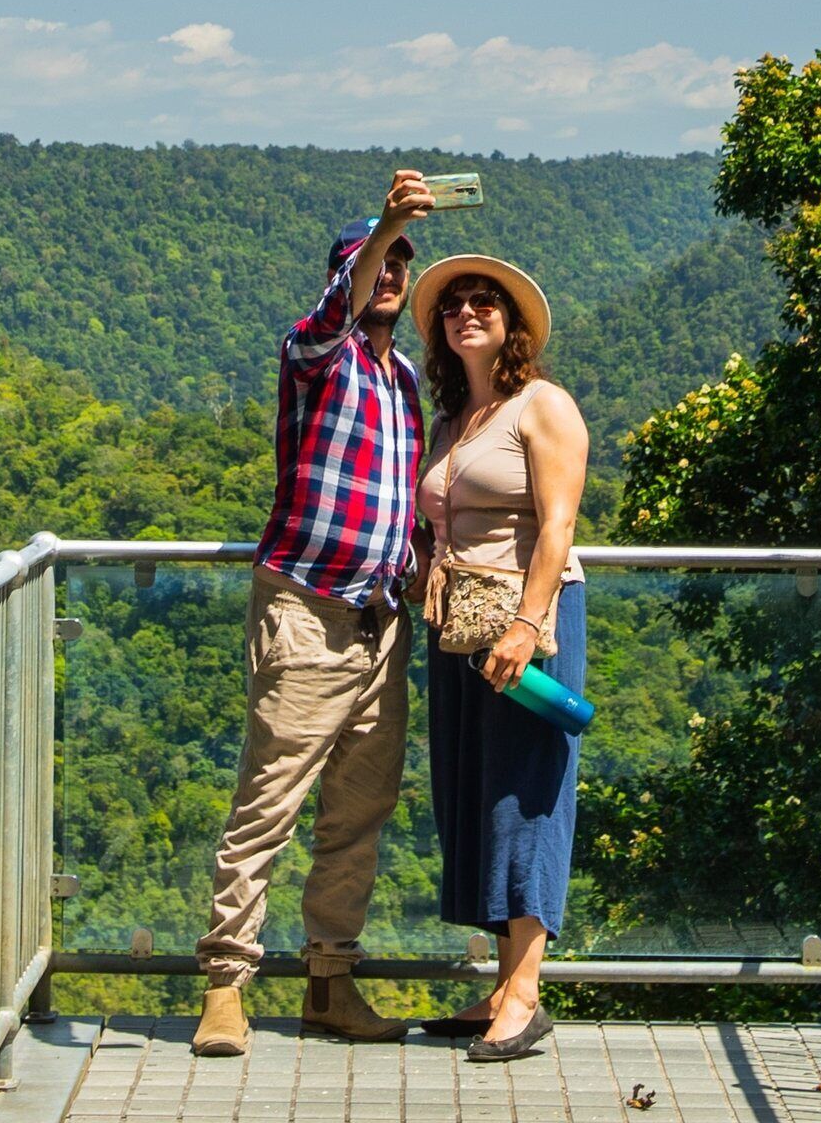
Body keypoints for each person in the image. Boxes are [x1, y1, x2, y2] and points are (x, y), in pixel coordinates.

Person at [190, 169, 440, 1057]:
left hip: (380, 624)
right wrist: (387, 225)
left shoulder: (404, 381)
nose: (388, 278)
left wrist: (423, 567)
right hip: (306, 609)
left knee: (356, 817)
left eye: (402, 266)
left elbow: (399, 499)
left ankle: (329, 986)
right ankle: (227, 986)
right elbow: (334, 307)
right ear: (345, 271)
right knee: (269, 805)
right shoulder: (316, 354)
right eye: (374, 263)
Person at [407, 251, 587, 1064]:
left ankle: (526, 995)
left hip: (526, 620)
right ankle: (501, 984)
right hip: (458, 627)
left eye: (484, 302)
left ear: (511, 325)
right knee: (475, 791)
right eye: (454, 304)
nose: (467, 311)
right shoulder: (454, 420)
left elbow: (557, 527)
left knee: (526, 793)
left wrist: (528, 622)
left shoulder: (541, 405)